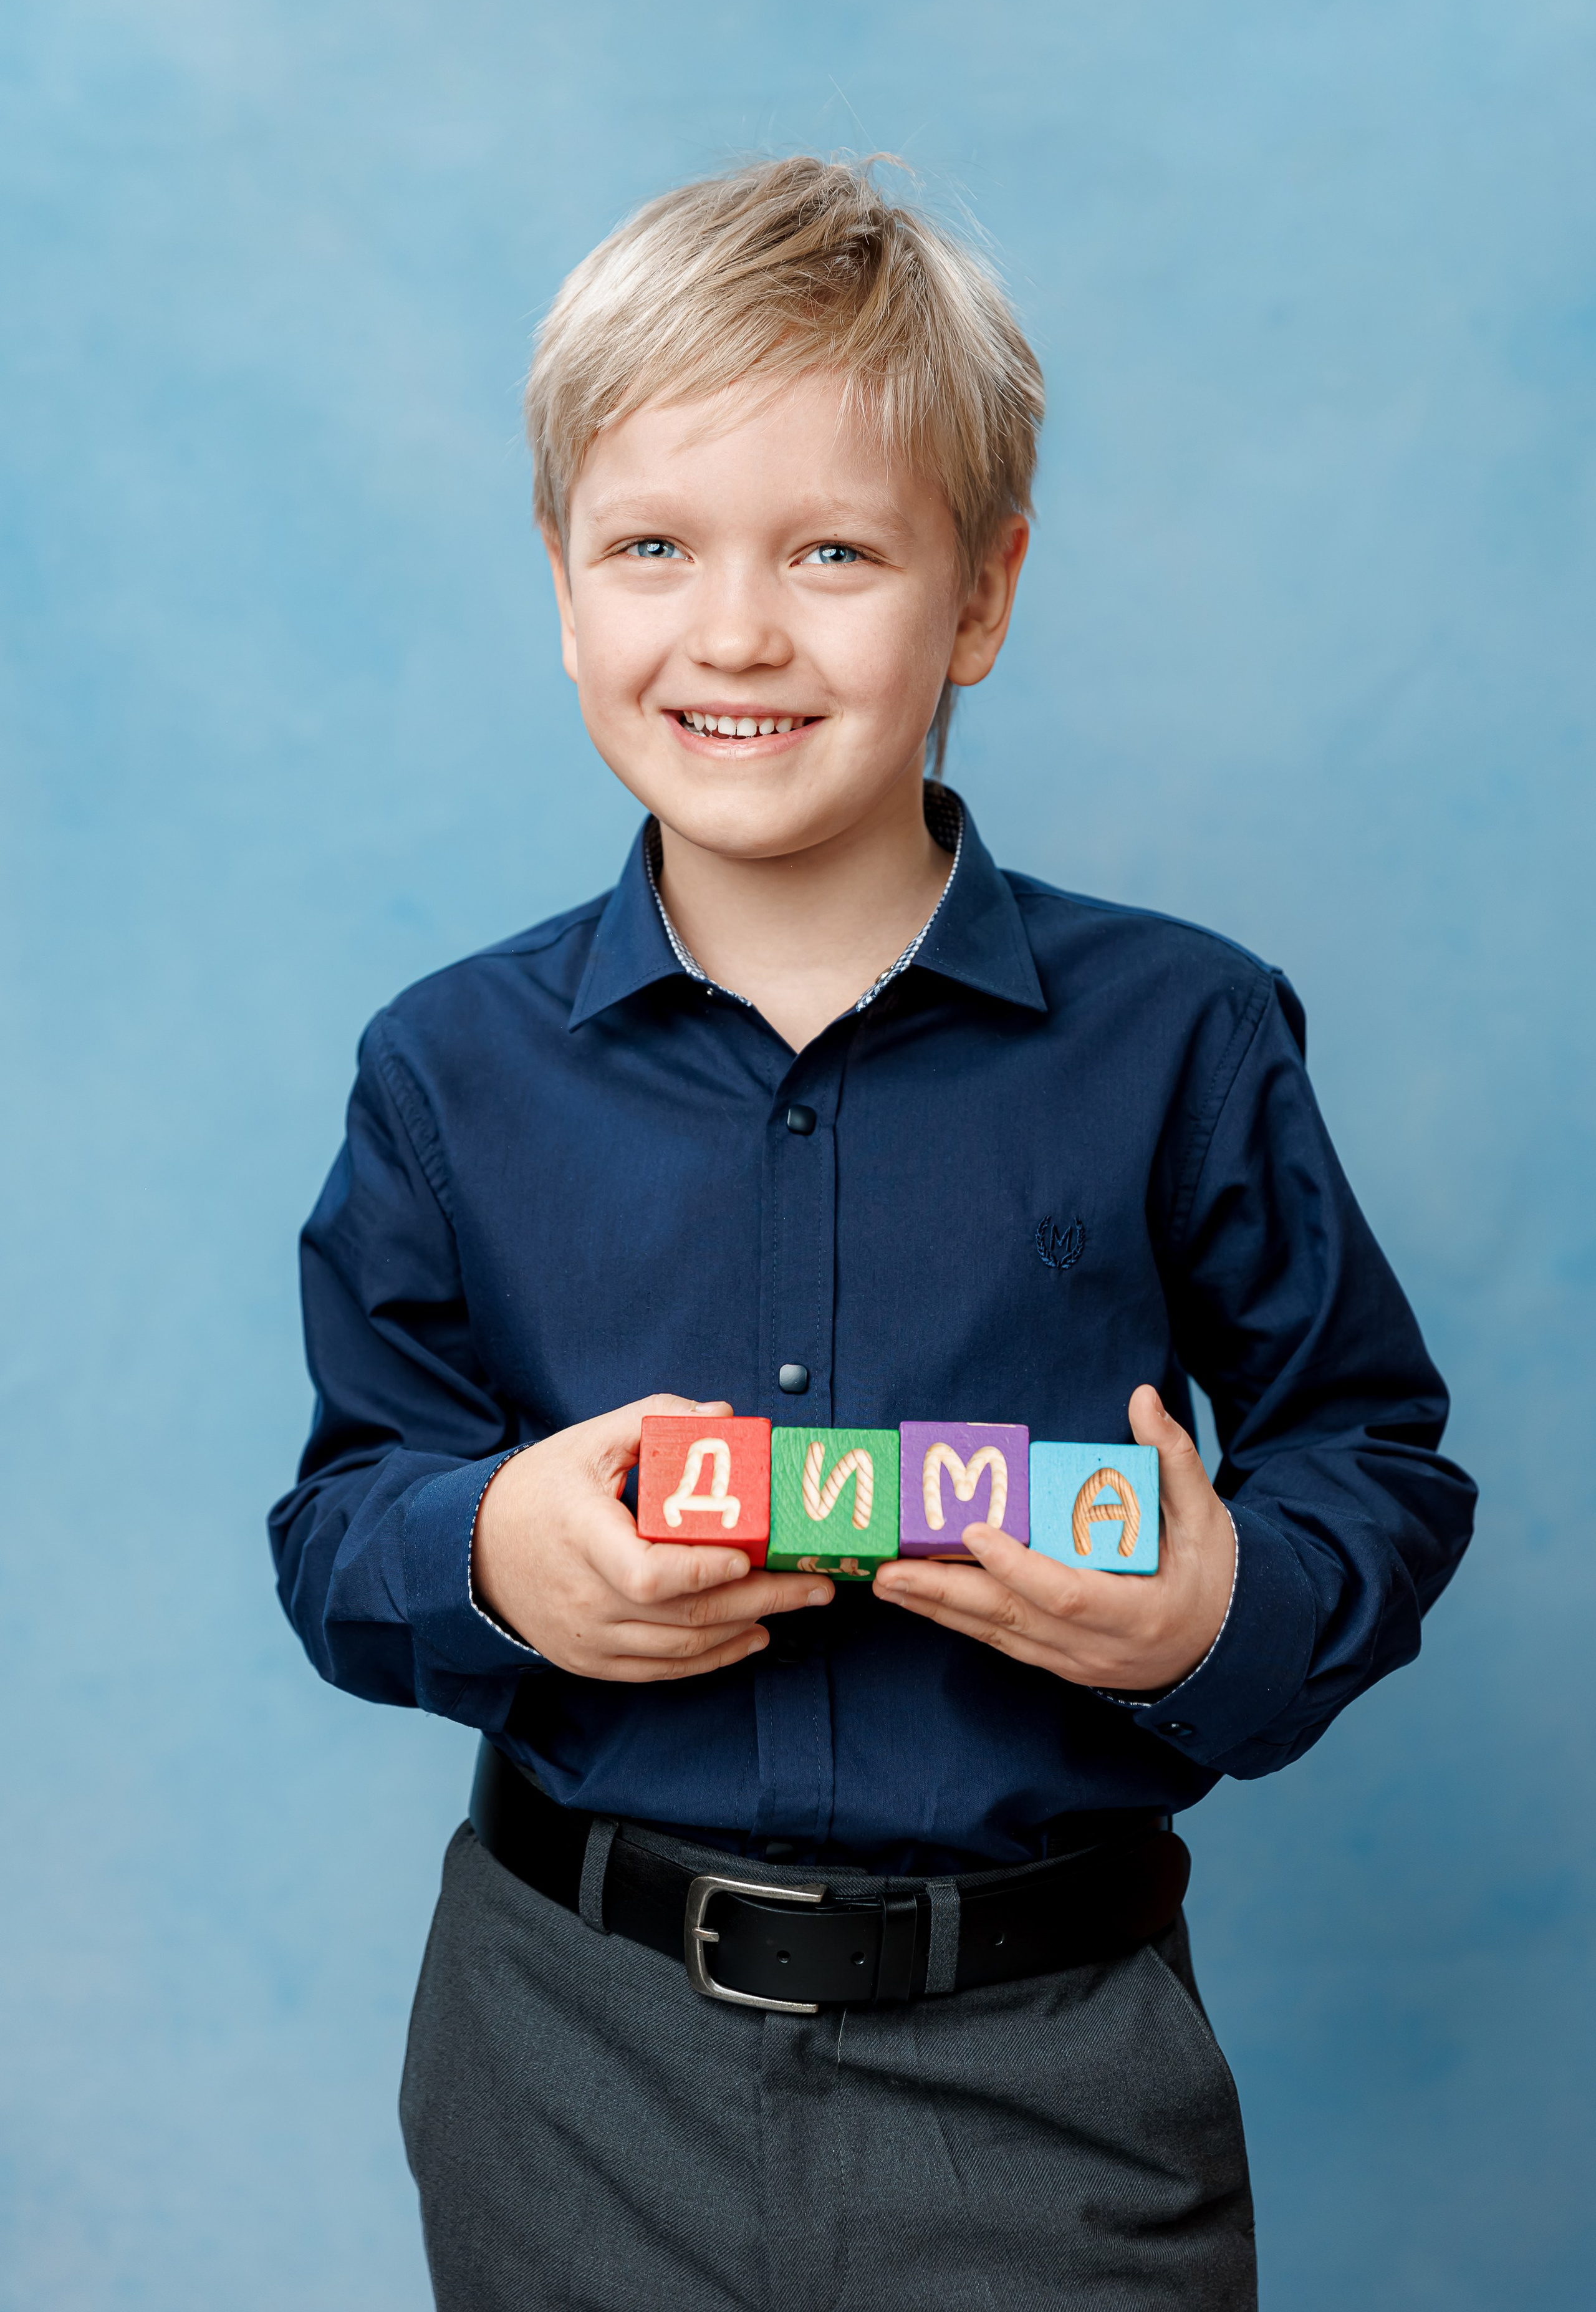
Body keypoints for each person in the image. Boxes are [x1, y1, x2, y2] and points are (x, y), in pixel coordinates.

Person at [269, 157, 1475, 2312]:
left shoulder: (1182, 1032)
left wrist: (1217, 1614)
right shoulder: (446, 1068)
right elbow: (340, 1517)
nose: (736, 630)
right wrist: (492, 1557)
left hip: (1053, 2063)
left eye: (835, 551)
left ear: (981, 600)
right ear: (562, 587)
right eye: (653, 548)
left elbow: (1376, 1459)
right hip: (567, 2054)